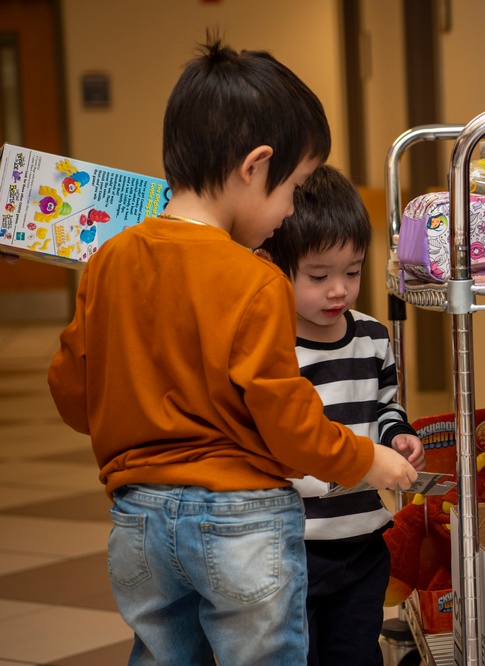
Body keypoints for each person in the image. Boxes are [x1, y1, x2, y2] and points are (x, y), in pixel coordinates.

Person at [46, 37, 417, 666]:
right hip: (240, 521)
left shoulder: (110, 259)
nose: (289, 211)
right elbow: (288, 422)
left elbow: (74, 396)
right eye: (295, 188)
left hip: (139, 520)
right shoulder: (254, 279)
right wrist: (365, 461)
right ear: (255, 166)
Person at [257, 164, 425, 666]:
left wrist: (398, 436)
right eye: (318, 276)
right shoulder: (271, 345)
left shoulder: (373, 336)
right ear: (274, 268)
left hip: (362, 540)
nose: (339, 290)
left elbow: (385, 404)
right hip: (292, 544)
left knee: (355, 652)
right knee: (296, 654)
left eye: (352, 272)